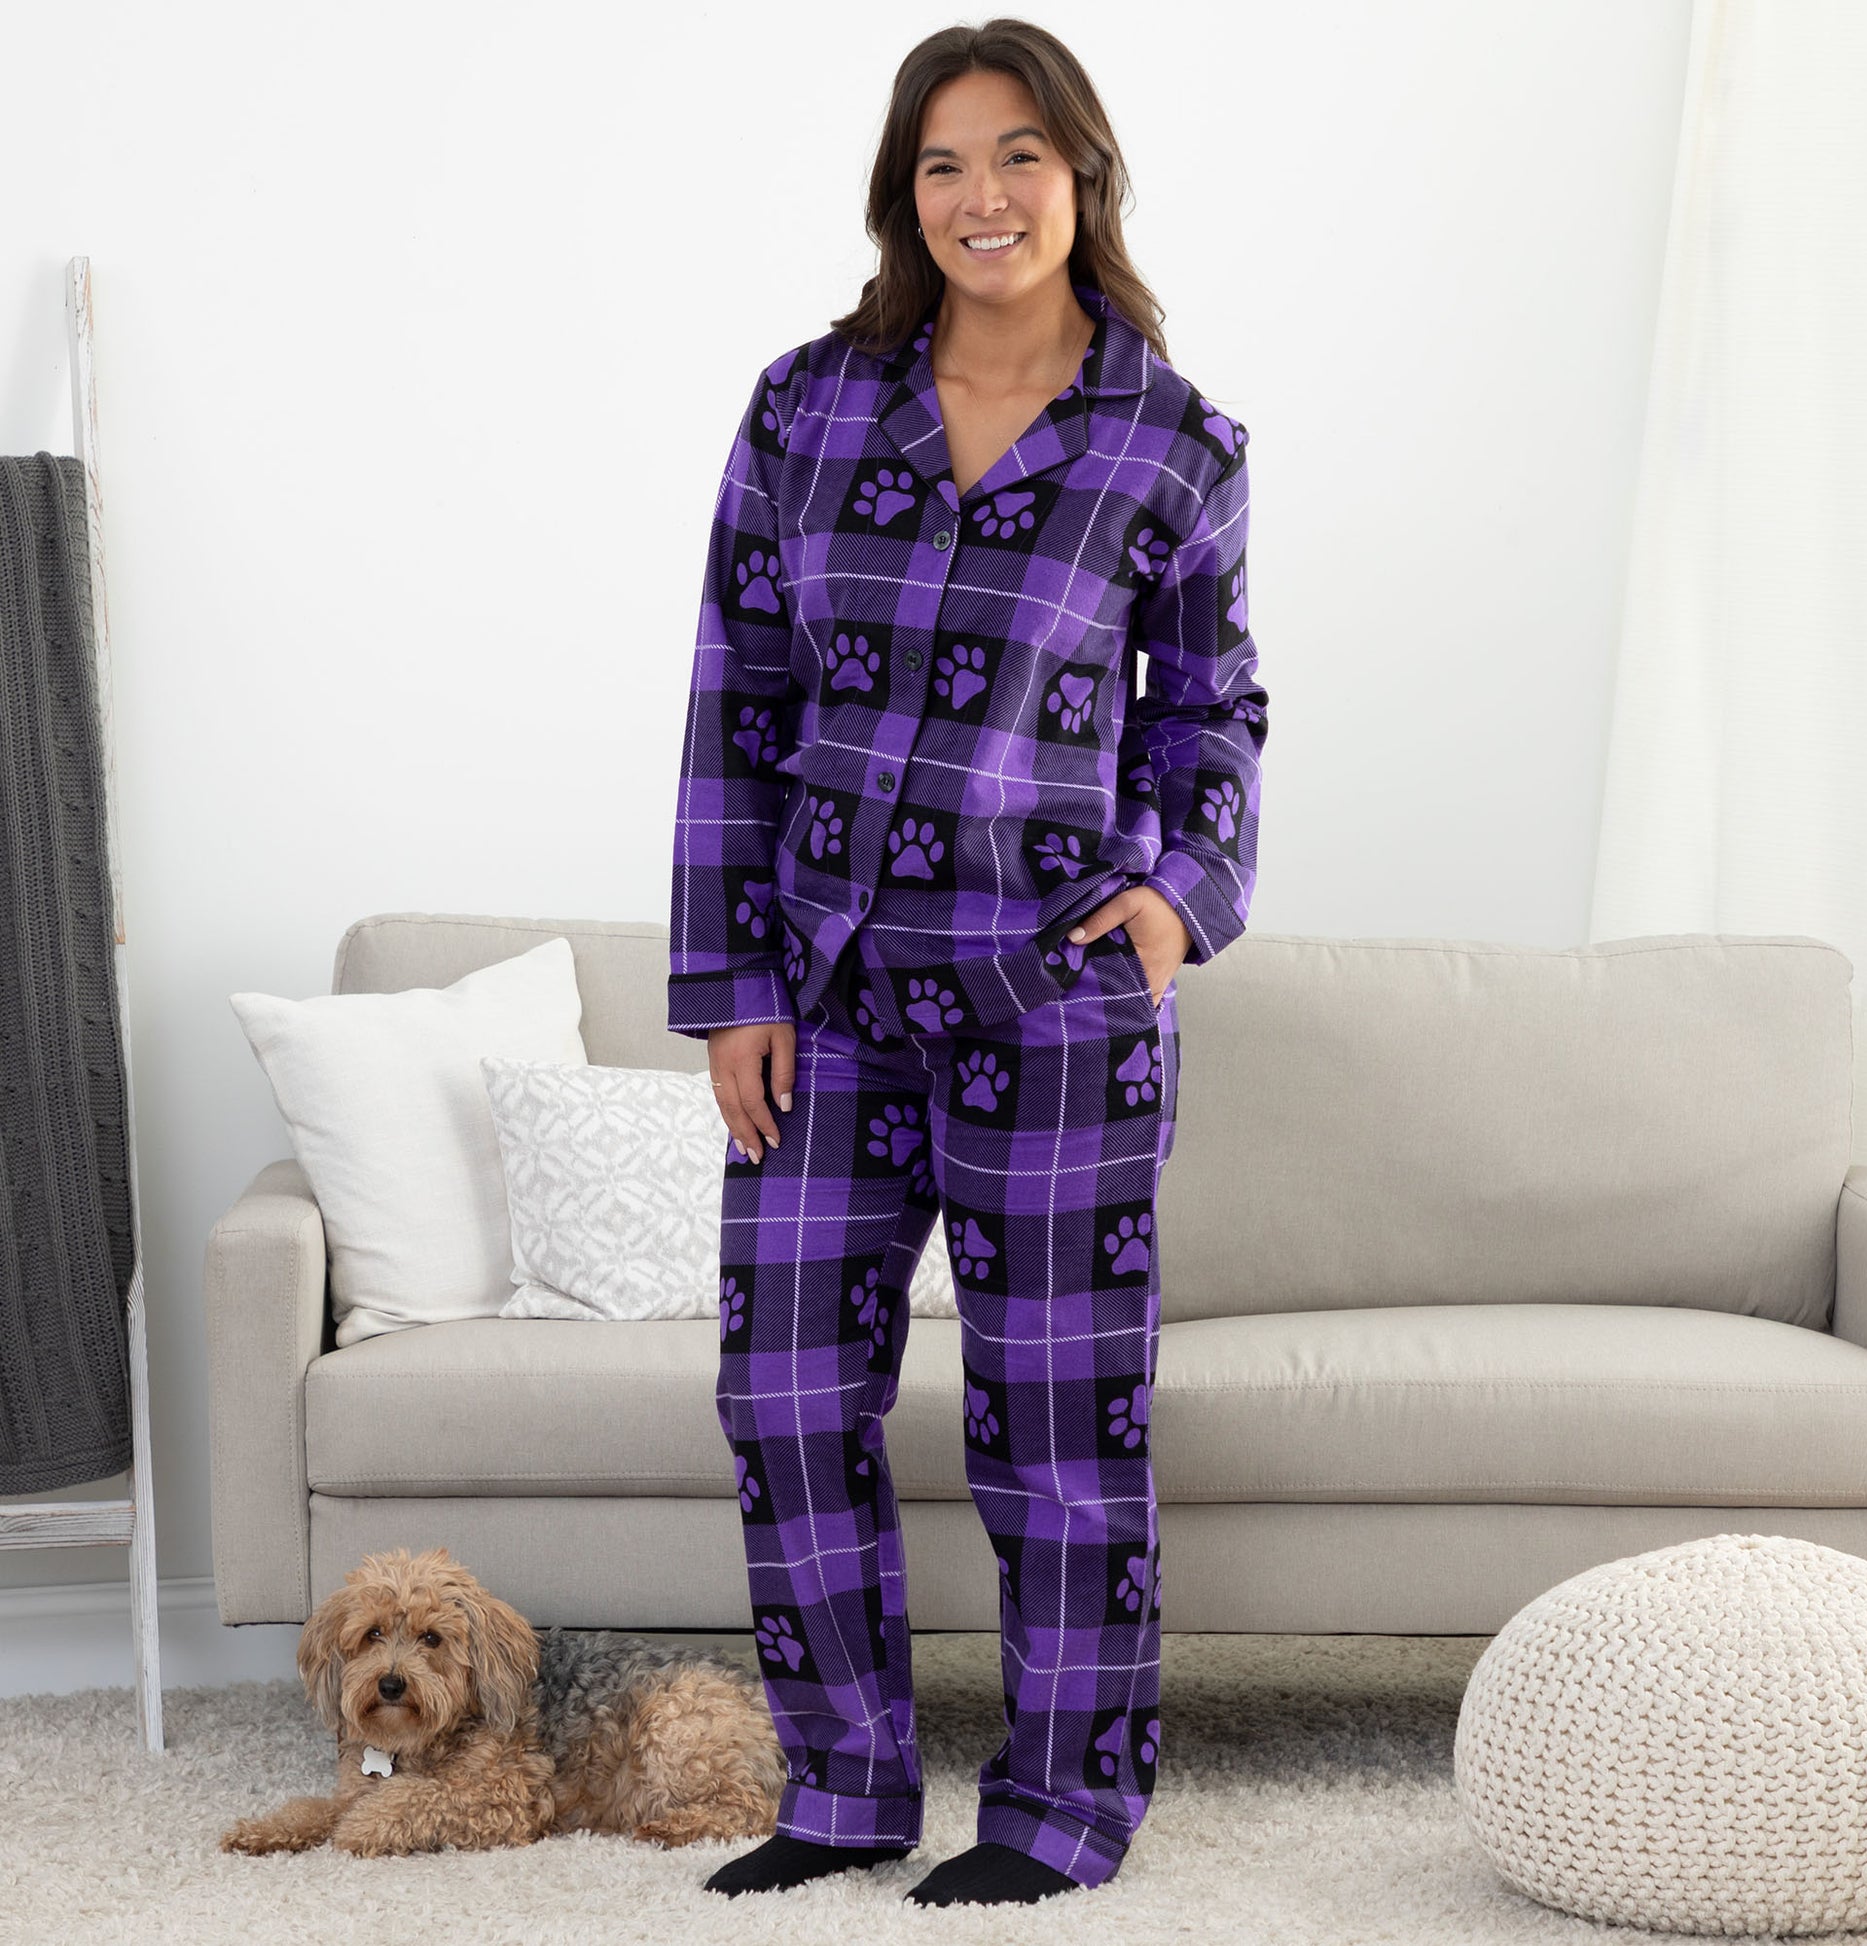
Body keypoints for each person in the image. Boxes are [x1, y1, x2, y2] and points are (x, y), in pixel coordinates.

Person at [666, 16, 1268, 1908]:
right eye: (941, 164)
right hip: (827, 992)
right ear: (899, 195)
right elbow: (735, 704)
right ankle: (844, 1790)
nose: (980, 196)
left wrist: (1177, 894)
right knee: (779, 1392)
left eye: (1017, 156)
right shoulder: (807, 405)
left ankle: (1062, 1809)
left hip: (1056, 1007)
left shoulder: (1172, 442)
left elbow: (1216, 712)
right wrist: (732, 985)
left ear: (1080, 176)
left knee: (1056, 1428)